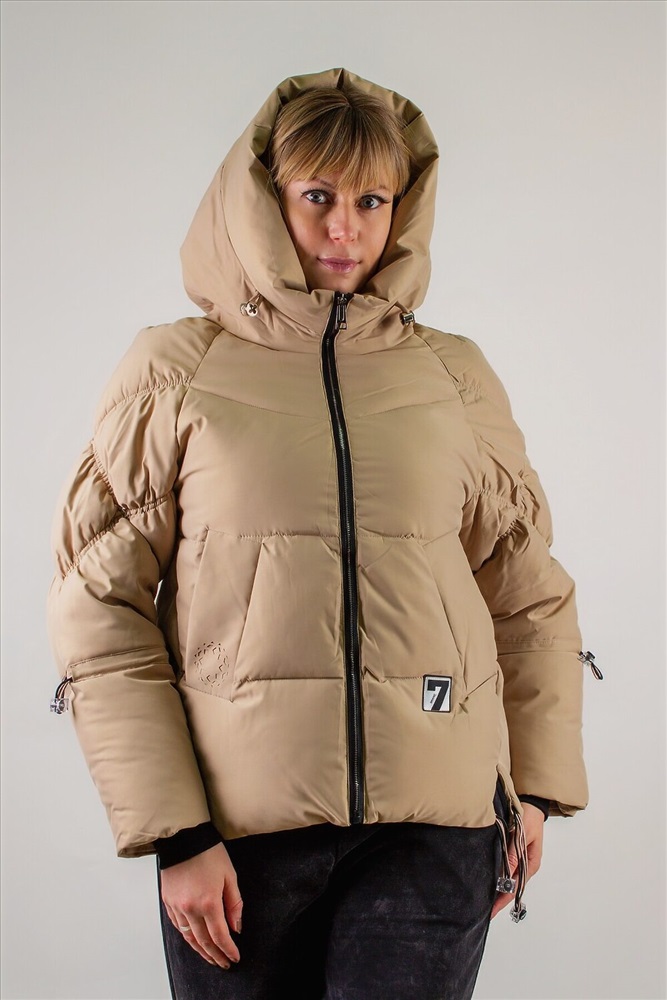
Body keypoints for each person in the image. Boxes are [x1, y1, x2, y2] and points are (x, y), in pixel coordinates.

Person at [47, 67, 598, 1000]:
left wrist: (535, 788)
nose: (345, 228)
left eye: (371, 201)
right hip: (238, 841)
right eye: (318, 197)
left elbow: (525, 586)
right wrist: (175, 833)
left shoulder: (451, 374)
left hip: (434, 837)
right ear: (263, 203)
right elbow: (97, 603)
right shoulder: (176, 370)